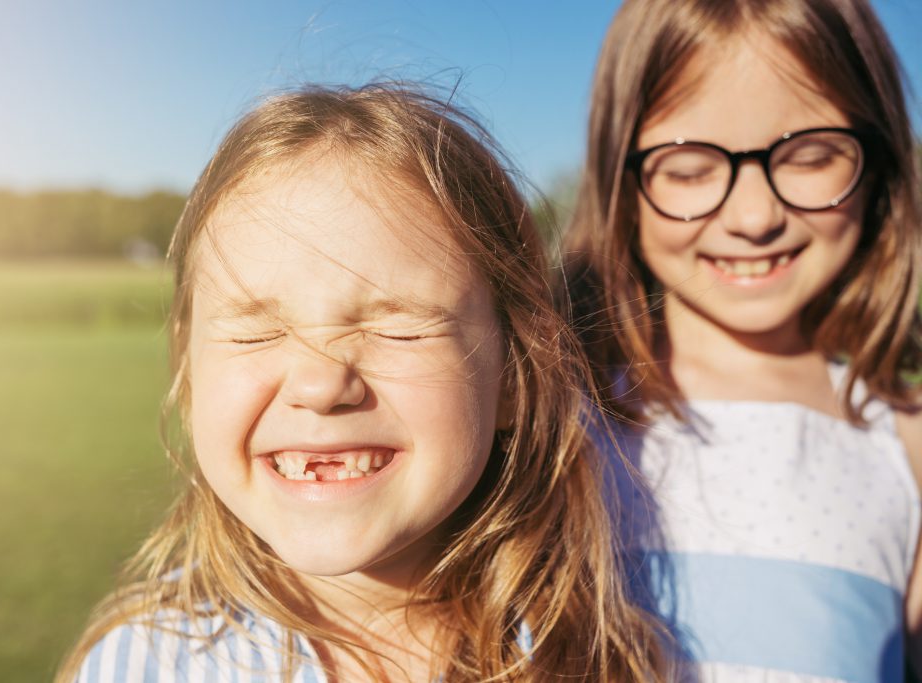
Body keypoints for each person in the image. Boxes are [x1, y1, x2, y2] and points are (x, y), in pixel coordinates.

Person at [56, 83, 667, 682]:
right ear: (189, 377)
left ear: (513, 372)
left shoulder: (601, 657)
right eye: (254, 333)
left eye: (399, 329)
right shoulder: (138, 667)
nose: (321, 384)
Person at [563, 0, 922, 680]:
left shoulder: (907, 450)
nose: (755, 216)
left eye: (812, 156)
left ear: (877, 163)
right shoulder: (553, 418)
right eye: (690, 168)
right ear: (620, 179)